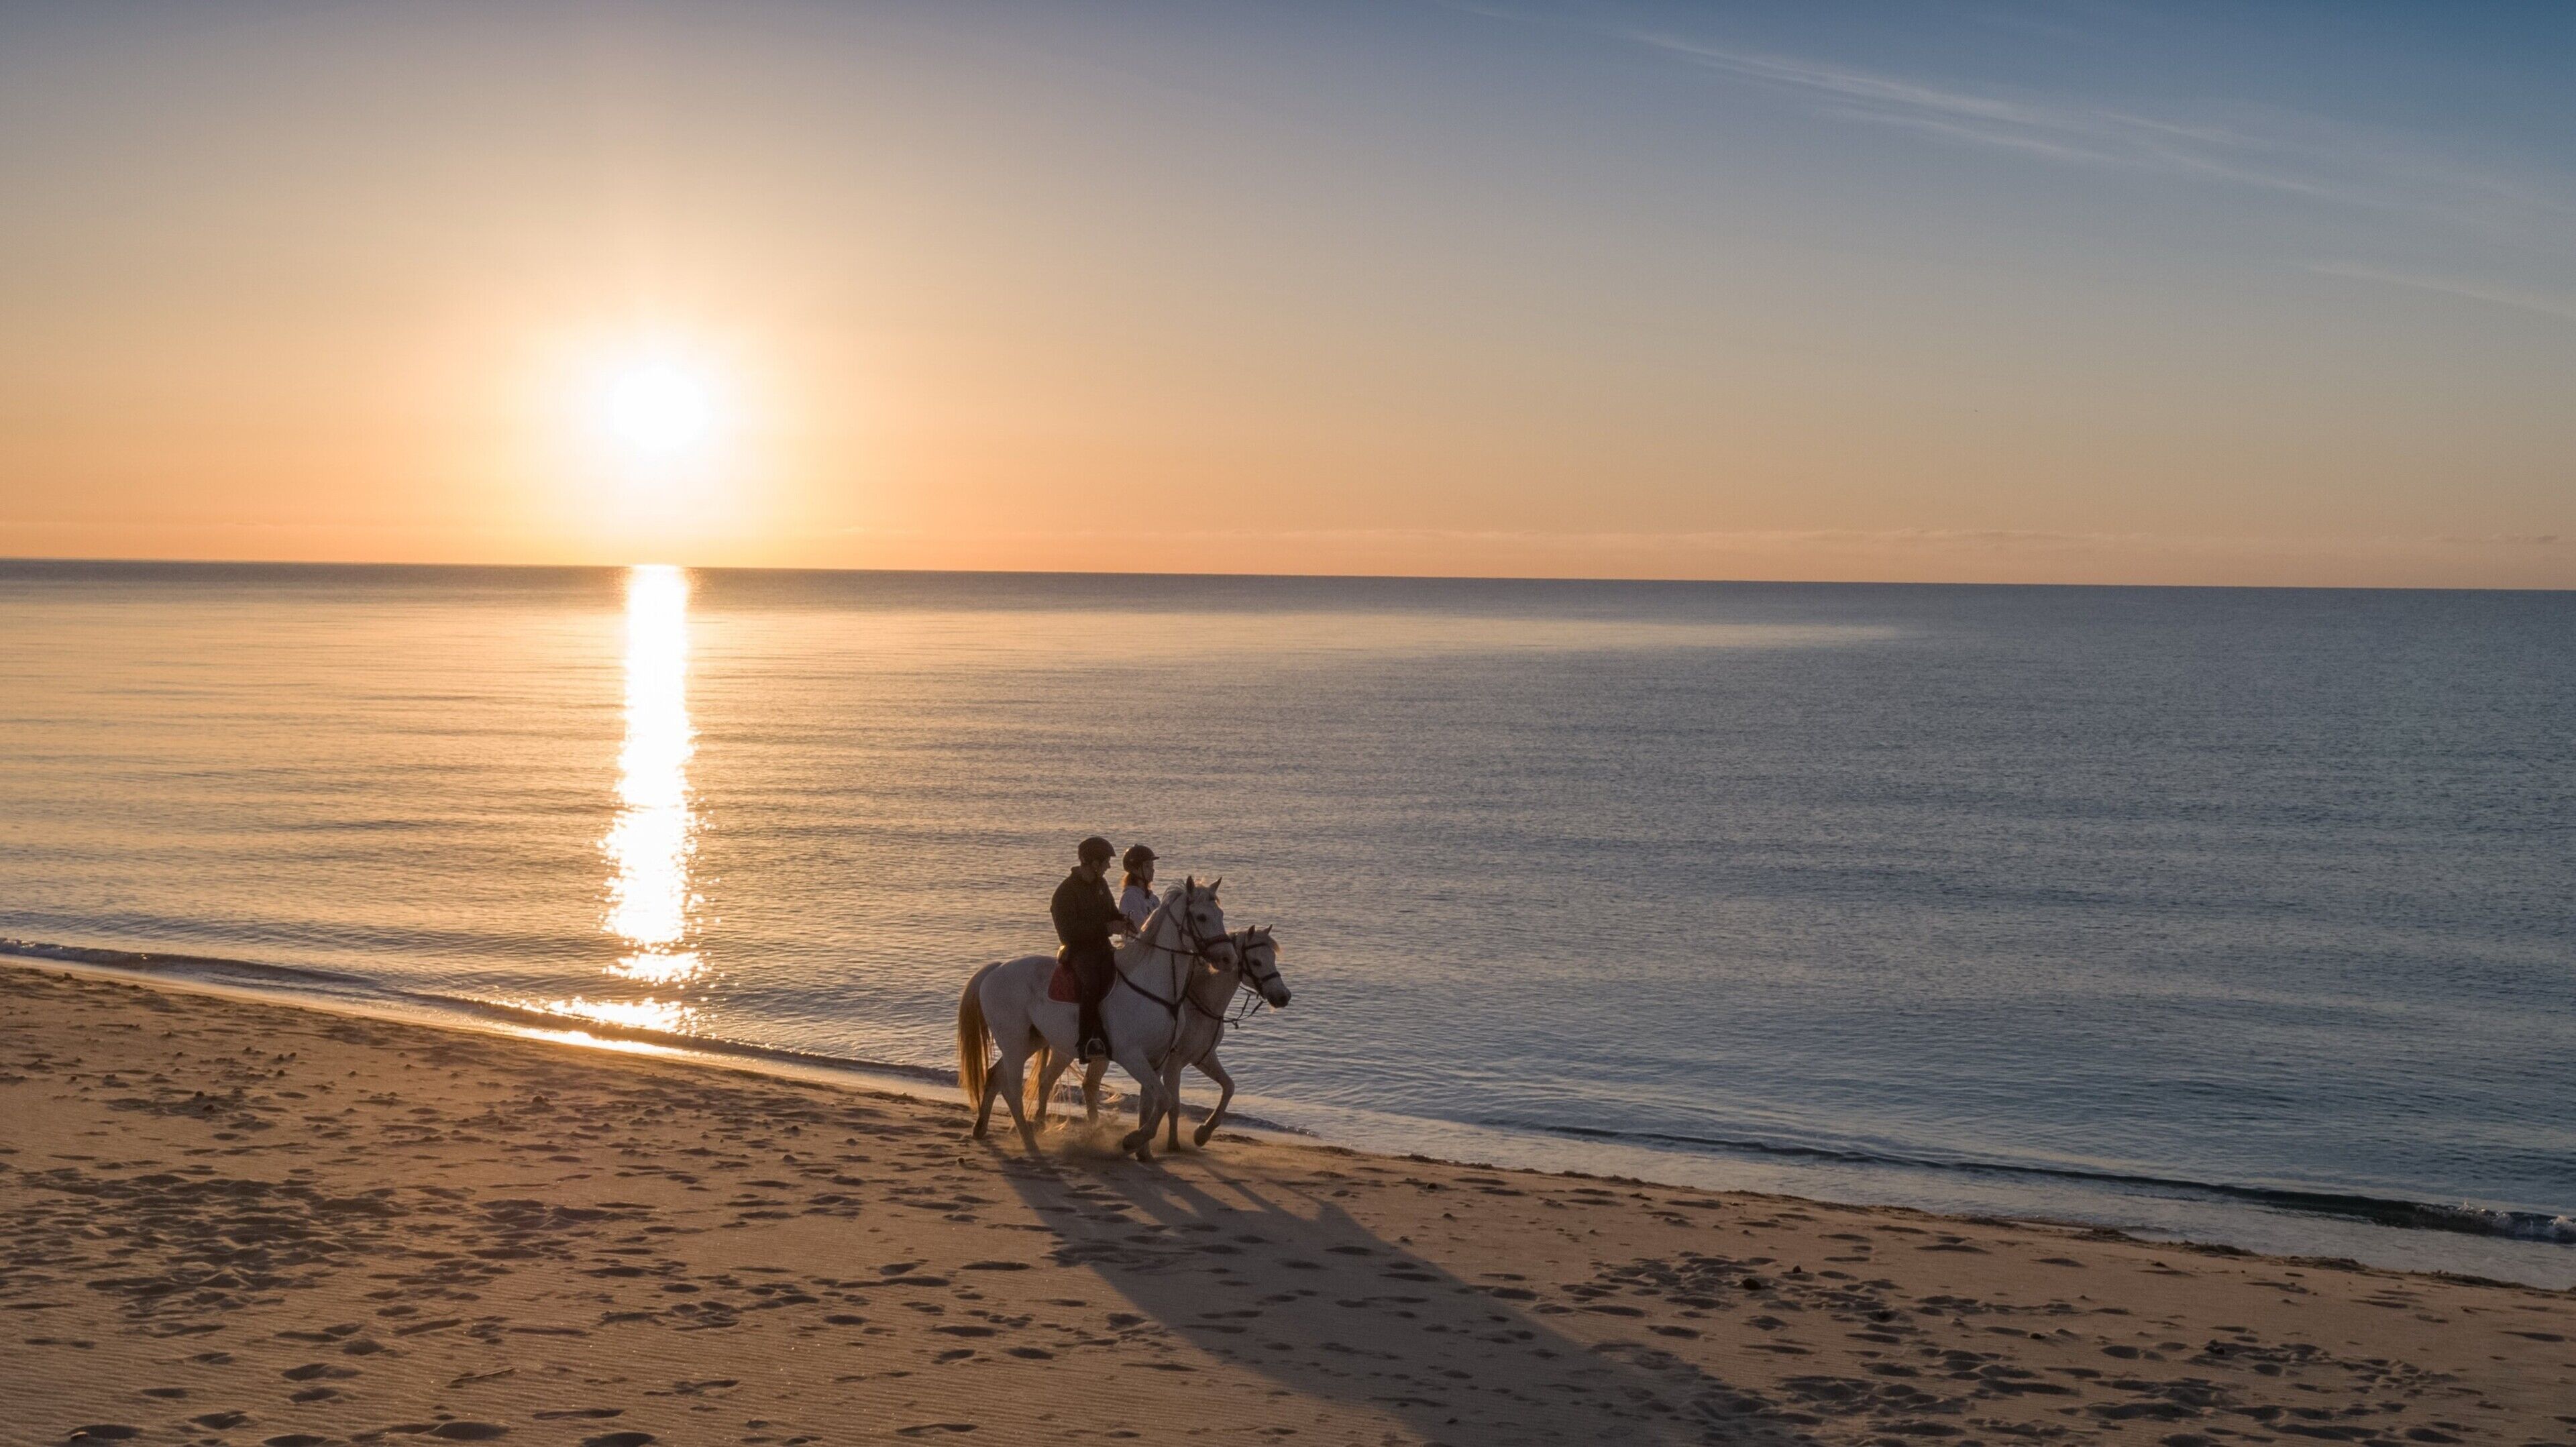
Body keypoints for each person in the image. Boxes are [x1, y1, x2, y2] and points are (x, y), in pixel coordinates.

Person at [1050, 835, 1128, 1060]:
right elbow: (1068, 933)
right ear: (1093, 863)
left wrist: (1124, 920)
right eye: (1105, 862)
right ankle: (1087, 1040)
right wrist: (1106, 928)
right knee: (1093, 984)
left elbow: (1111, 912)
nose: (1108, 867)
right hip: (1079, 952)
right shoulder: (1065, 893)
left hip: (1103, 948)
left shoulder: (1100, 884)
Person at [1118, 844, 1159, 933]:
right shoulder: (1130, 898)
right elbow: (1141, 929)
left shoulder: (1153, 898)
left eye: (1152, 866)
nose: (1153, 870)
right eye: (1147, 866)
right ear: (1135, 869)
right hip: (1136, 945)